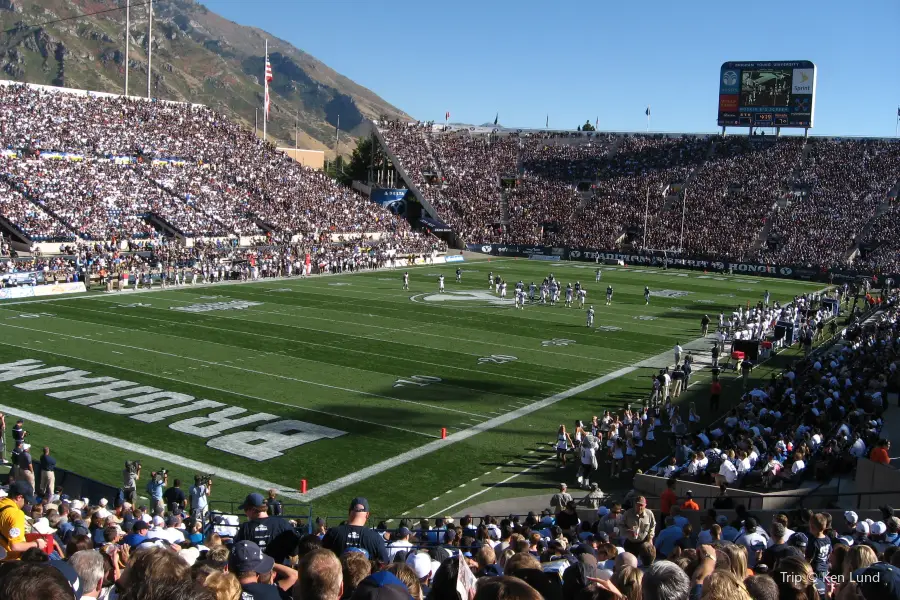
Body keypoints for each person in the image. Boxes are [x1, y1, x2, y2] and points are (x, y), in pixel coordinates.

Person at [235, 492, 298, 564]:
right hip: (279, 571)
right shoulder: (282, 524)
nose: (245, 513)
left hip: (255, 572)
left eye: (245, 510)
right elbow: (294, 552)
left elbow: (237, 552)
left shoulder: (245, 528)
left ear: (252, 510)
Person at [321, 497, 388, 562]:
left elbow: (320, 558)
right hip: (366, 573)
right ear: (367, 514)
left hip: (338, 572)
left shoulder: (333, 532)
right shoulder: (375, 537)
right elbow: (384, 563)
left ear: (349, 512)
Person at [230, 540, 298, 600]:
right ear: (259, 570)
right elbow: (294, 575)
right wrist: (271, 564)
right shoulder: (276, 593)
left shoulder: (223, 593)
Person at [0, 481, 48, 560]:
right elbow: (15, 546)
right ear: (19, 497)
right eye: (26, 501)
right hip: (8, 561)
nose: (26, 504)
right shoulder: (16, 514)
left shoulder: (2, 503)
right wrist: (37, 544)